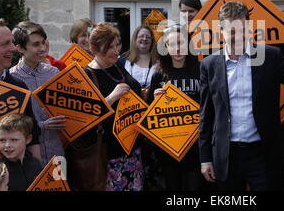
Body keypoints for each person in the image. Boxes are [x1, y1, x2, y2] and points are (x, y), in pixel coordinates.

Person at [199, 1, 284, 190]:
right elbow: (206, 116)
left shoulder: (271, 56)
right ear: (220, 30)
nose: (236, 36)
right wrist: (205, 158)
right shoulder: (209, 64)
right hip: (226, 155)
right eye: (230, 30)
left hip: (264, 153)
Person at [74, 23, 143, 191]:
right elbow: (85, 118)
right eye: (110, 47)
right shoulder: (86, 75)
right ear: (95, 49)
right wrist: (112, 97)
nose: (116, 51)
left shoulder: (118, 65)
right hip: (108, 155)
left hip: (132, 150)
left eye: (117, 45)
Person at [147, 24, 204, 191]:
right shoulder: (159, 74)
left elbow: (209, 104)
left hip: (195, 144)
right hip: (169, 146)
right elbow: (150, 114)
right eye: (172, 44)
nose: (177, 48)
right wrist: (155, 101)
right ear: (165, 48)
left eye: (180, 43)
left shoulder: (200, 70)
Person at [10, 21, 66, 165]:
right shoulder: (12, 79)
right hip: (29, 156)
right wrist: (42, 125)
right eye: (36, 44)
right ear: (20, 48)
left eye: (43, 42)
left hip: (57, 152)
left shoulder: (54, 73)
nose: (42, 48)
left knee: (60, 187)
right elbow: (12, 124)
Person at [0, 19, 41, 161]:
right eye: (5, 44)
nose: (14, 48)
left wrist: (36, 174)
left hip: (15, 177)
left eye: (12, 41)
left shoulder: (19, 87)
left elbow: (32, 135)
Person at [0, 113, 43, 191]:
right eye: (2, 140)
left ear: (28, 139)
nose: (7, 145)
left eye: (14, 140)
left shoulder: (36, 164)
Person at [119, 25, 159, 102]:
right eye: (141, 36)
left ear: (152, 40)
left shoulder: (159, 60)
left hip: (152, 104)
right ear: (135, 38)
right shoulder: (123, 60)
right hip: (130, 105)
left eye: (148, 37)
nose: (144, 39)